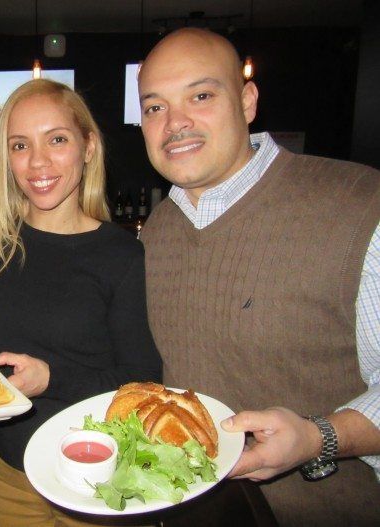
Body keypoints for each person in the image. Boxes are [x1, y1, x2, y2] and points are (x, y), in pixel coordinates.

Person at [138, 28, 380, 525]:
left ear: (247, 101)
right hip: (188, 508)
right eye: (155, 107)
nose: (175, 123)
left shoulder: (357, 204)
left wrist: (318, 437)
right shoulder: (156, 230)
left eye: (201, 95)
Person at [0, 79, 162, 526]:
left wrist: (51, 377)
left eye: (57, 139)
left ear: (88, 147)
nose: (37, 161)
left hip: (97, 478)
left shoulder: (120, 255)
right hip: (8, 473)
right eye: (20, 144)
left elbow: (142, 381)